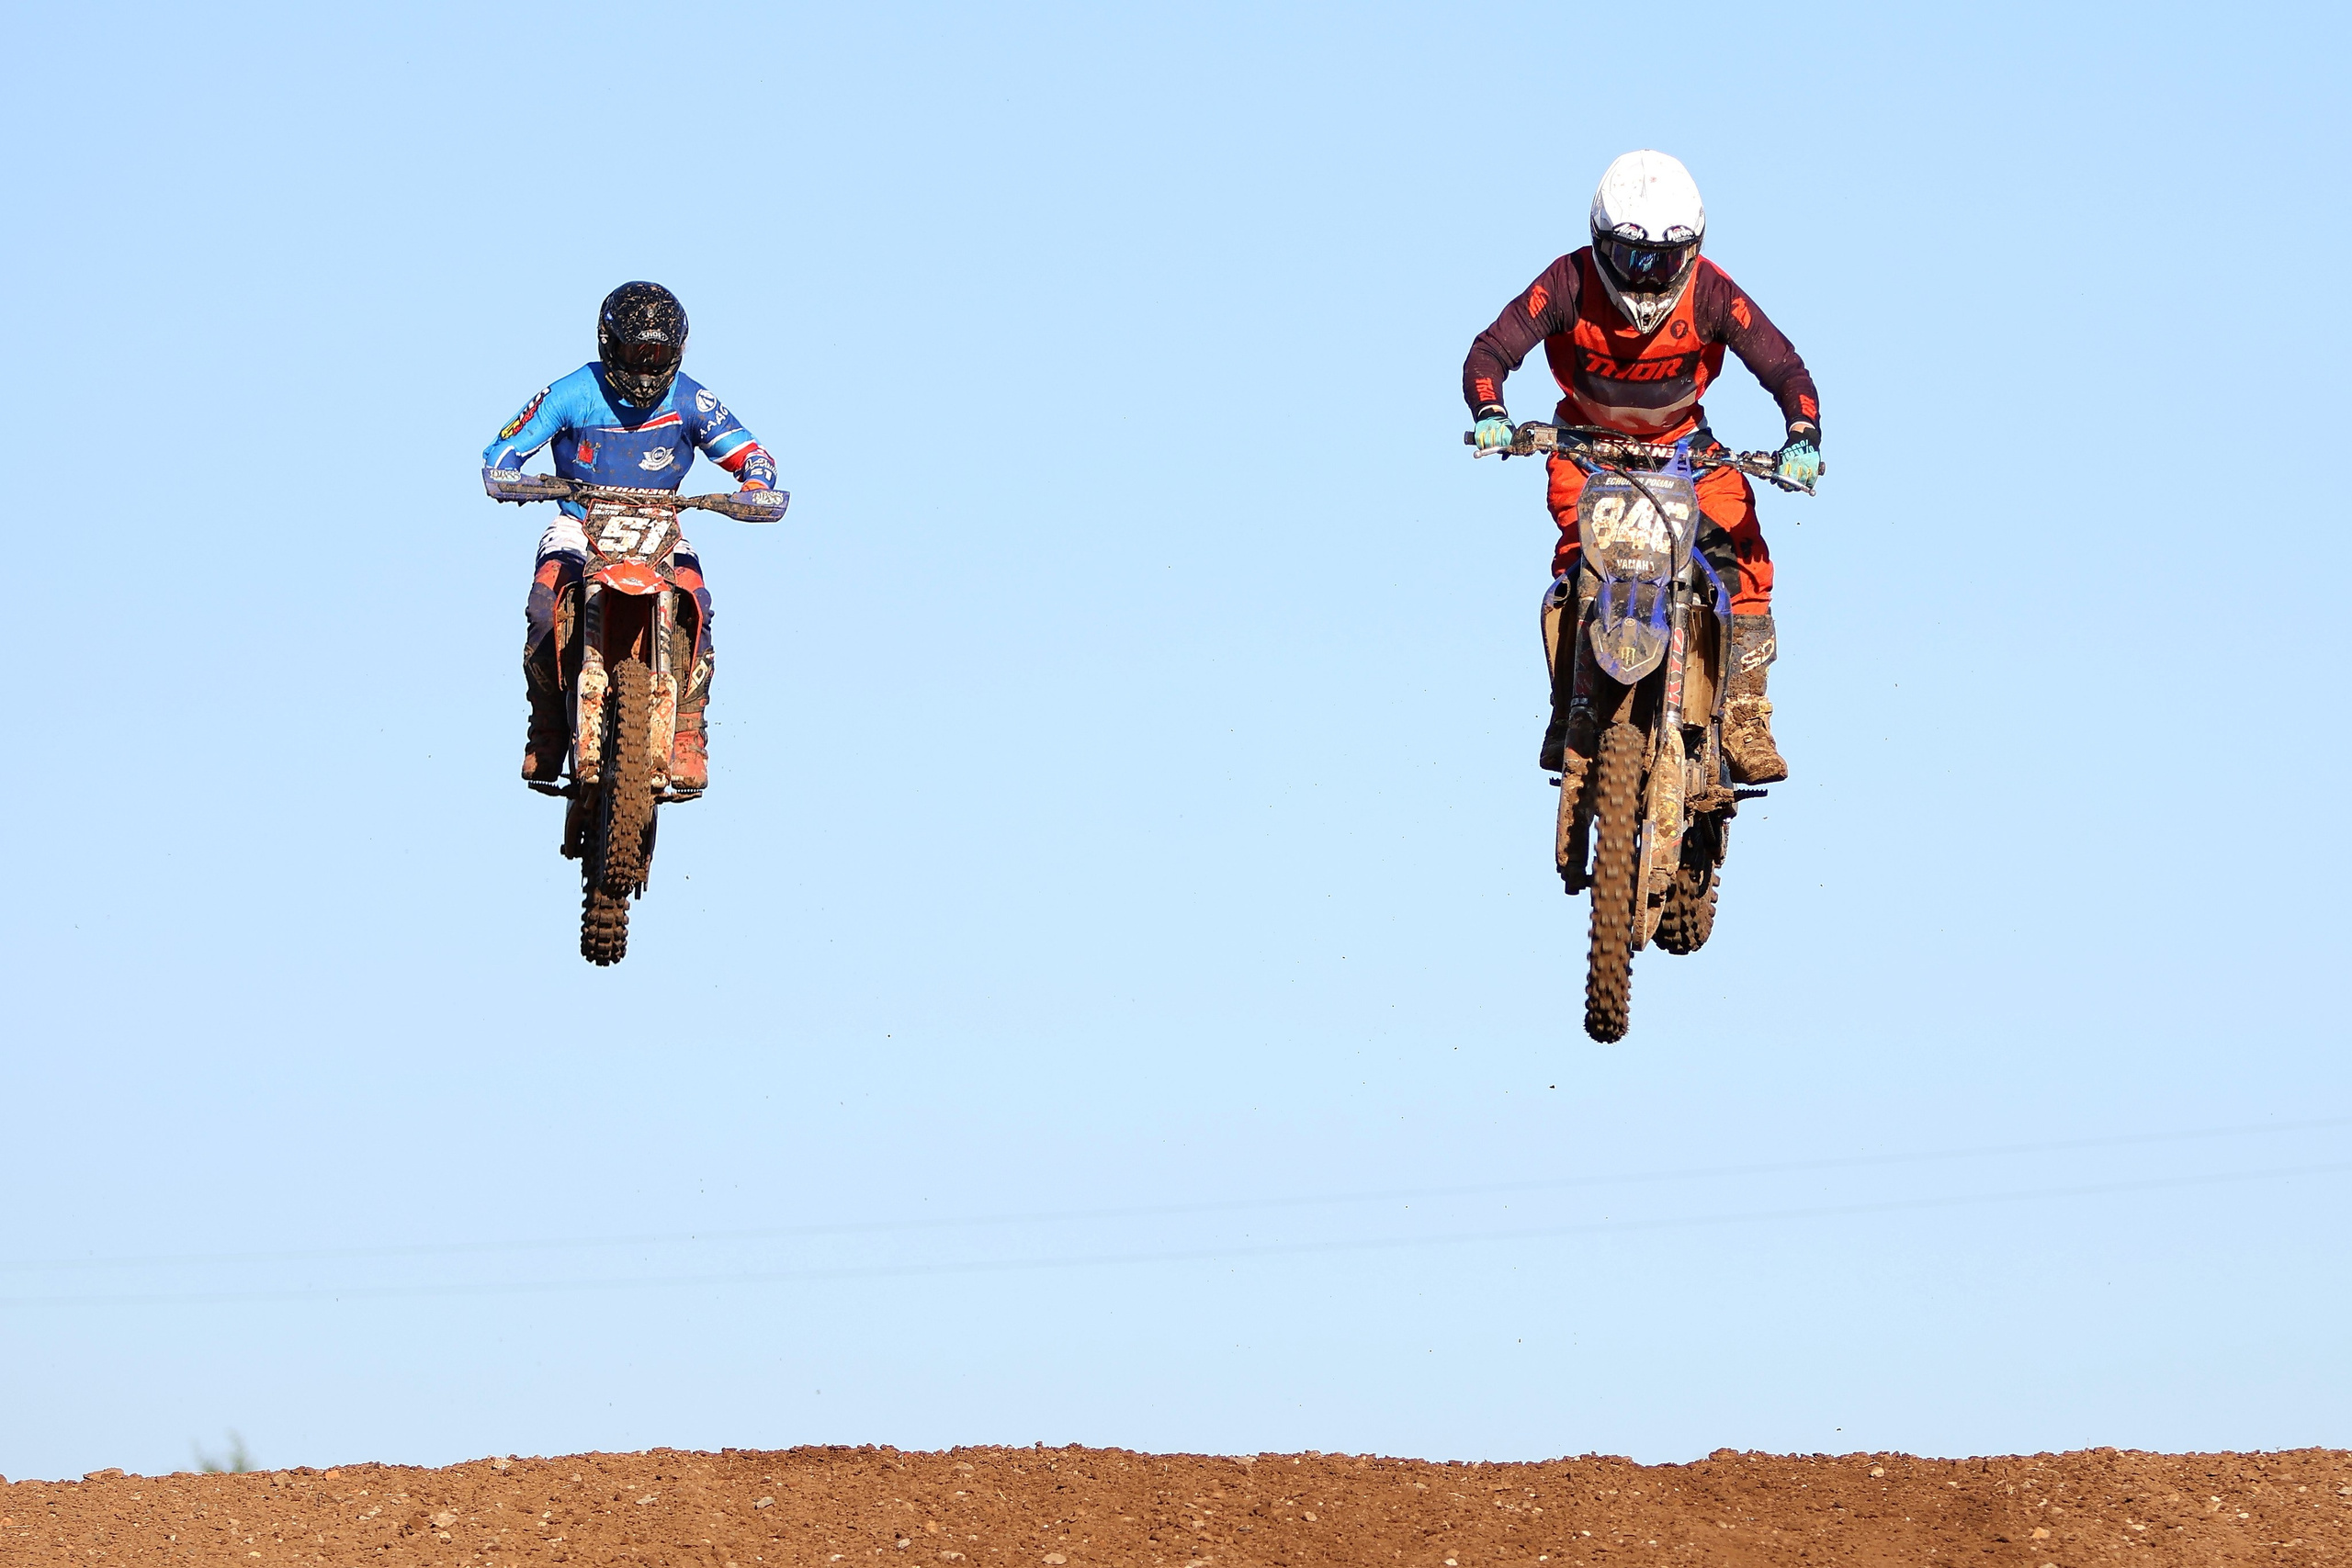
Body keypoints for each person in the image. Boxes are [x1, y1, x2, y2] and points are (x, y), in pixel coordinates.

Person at [1463, 150, 1822, 787]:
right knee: (1582, 557)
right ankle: (1570, 708)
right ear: (1601, 244)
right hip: (1585, 444)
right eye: (1634, 258)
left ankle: (1743, 713)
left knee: (1743, 550)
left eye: (1668, 259)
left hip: (1686, 448)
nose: (1650, 278)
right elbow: (1491, 349)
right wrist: (1492, 409)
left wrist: (1801, 434)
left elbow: (1785, 367)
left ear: (1695, 247)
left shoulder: (1711, 290)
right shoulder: (1568, 282)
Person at [482, 282, 778, 793]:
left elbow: (753, 455)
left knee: (698, 600)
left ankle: (687, 731)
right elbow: (501, 449)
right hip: (580, 519)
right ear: (607, 343)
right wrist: (510, 475)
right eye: (634, 351)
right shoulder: (571, 392)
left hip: (662, 523)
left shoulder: (691, 398)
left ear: (678, 351)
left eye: (658, 353)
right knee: (542, 603)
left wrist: (754, 484)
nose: (645, 367)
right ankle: (548, 729)